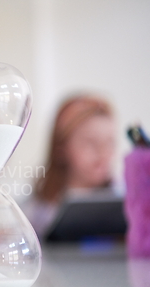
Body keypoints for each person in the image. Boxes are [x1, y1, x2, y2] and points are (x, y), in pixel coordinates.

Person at [22, 94, 117, 238]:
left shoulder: (125, 200)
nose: (103, 152)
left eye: (109, 142)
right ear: (61, 148)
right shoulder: (36, 210)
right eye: (90, 142)